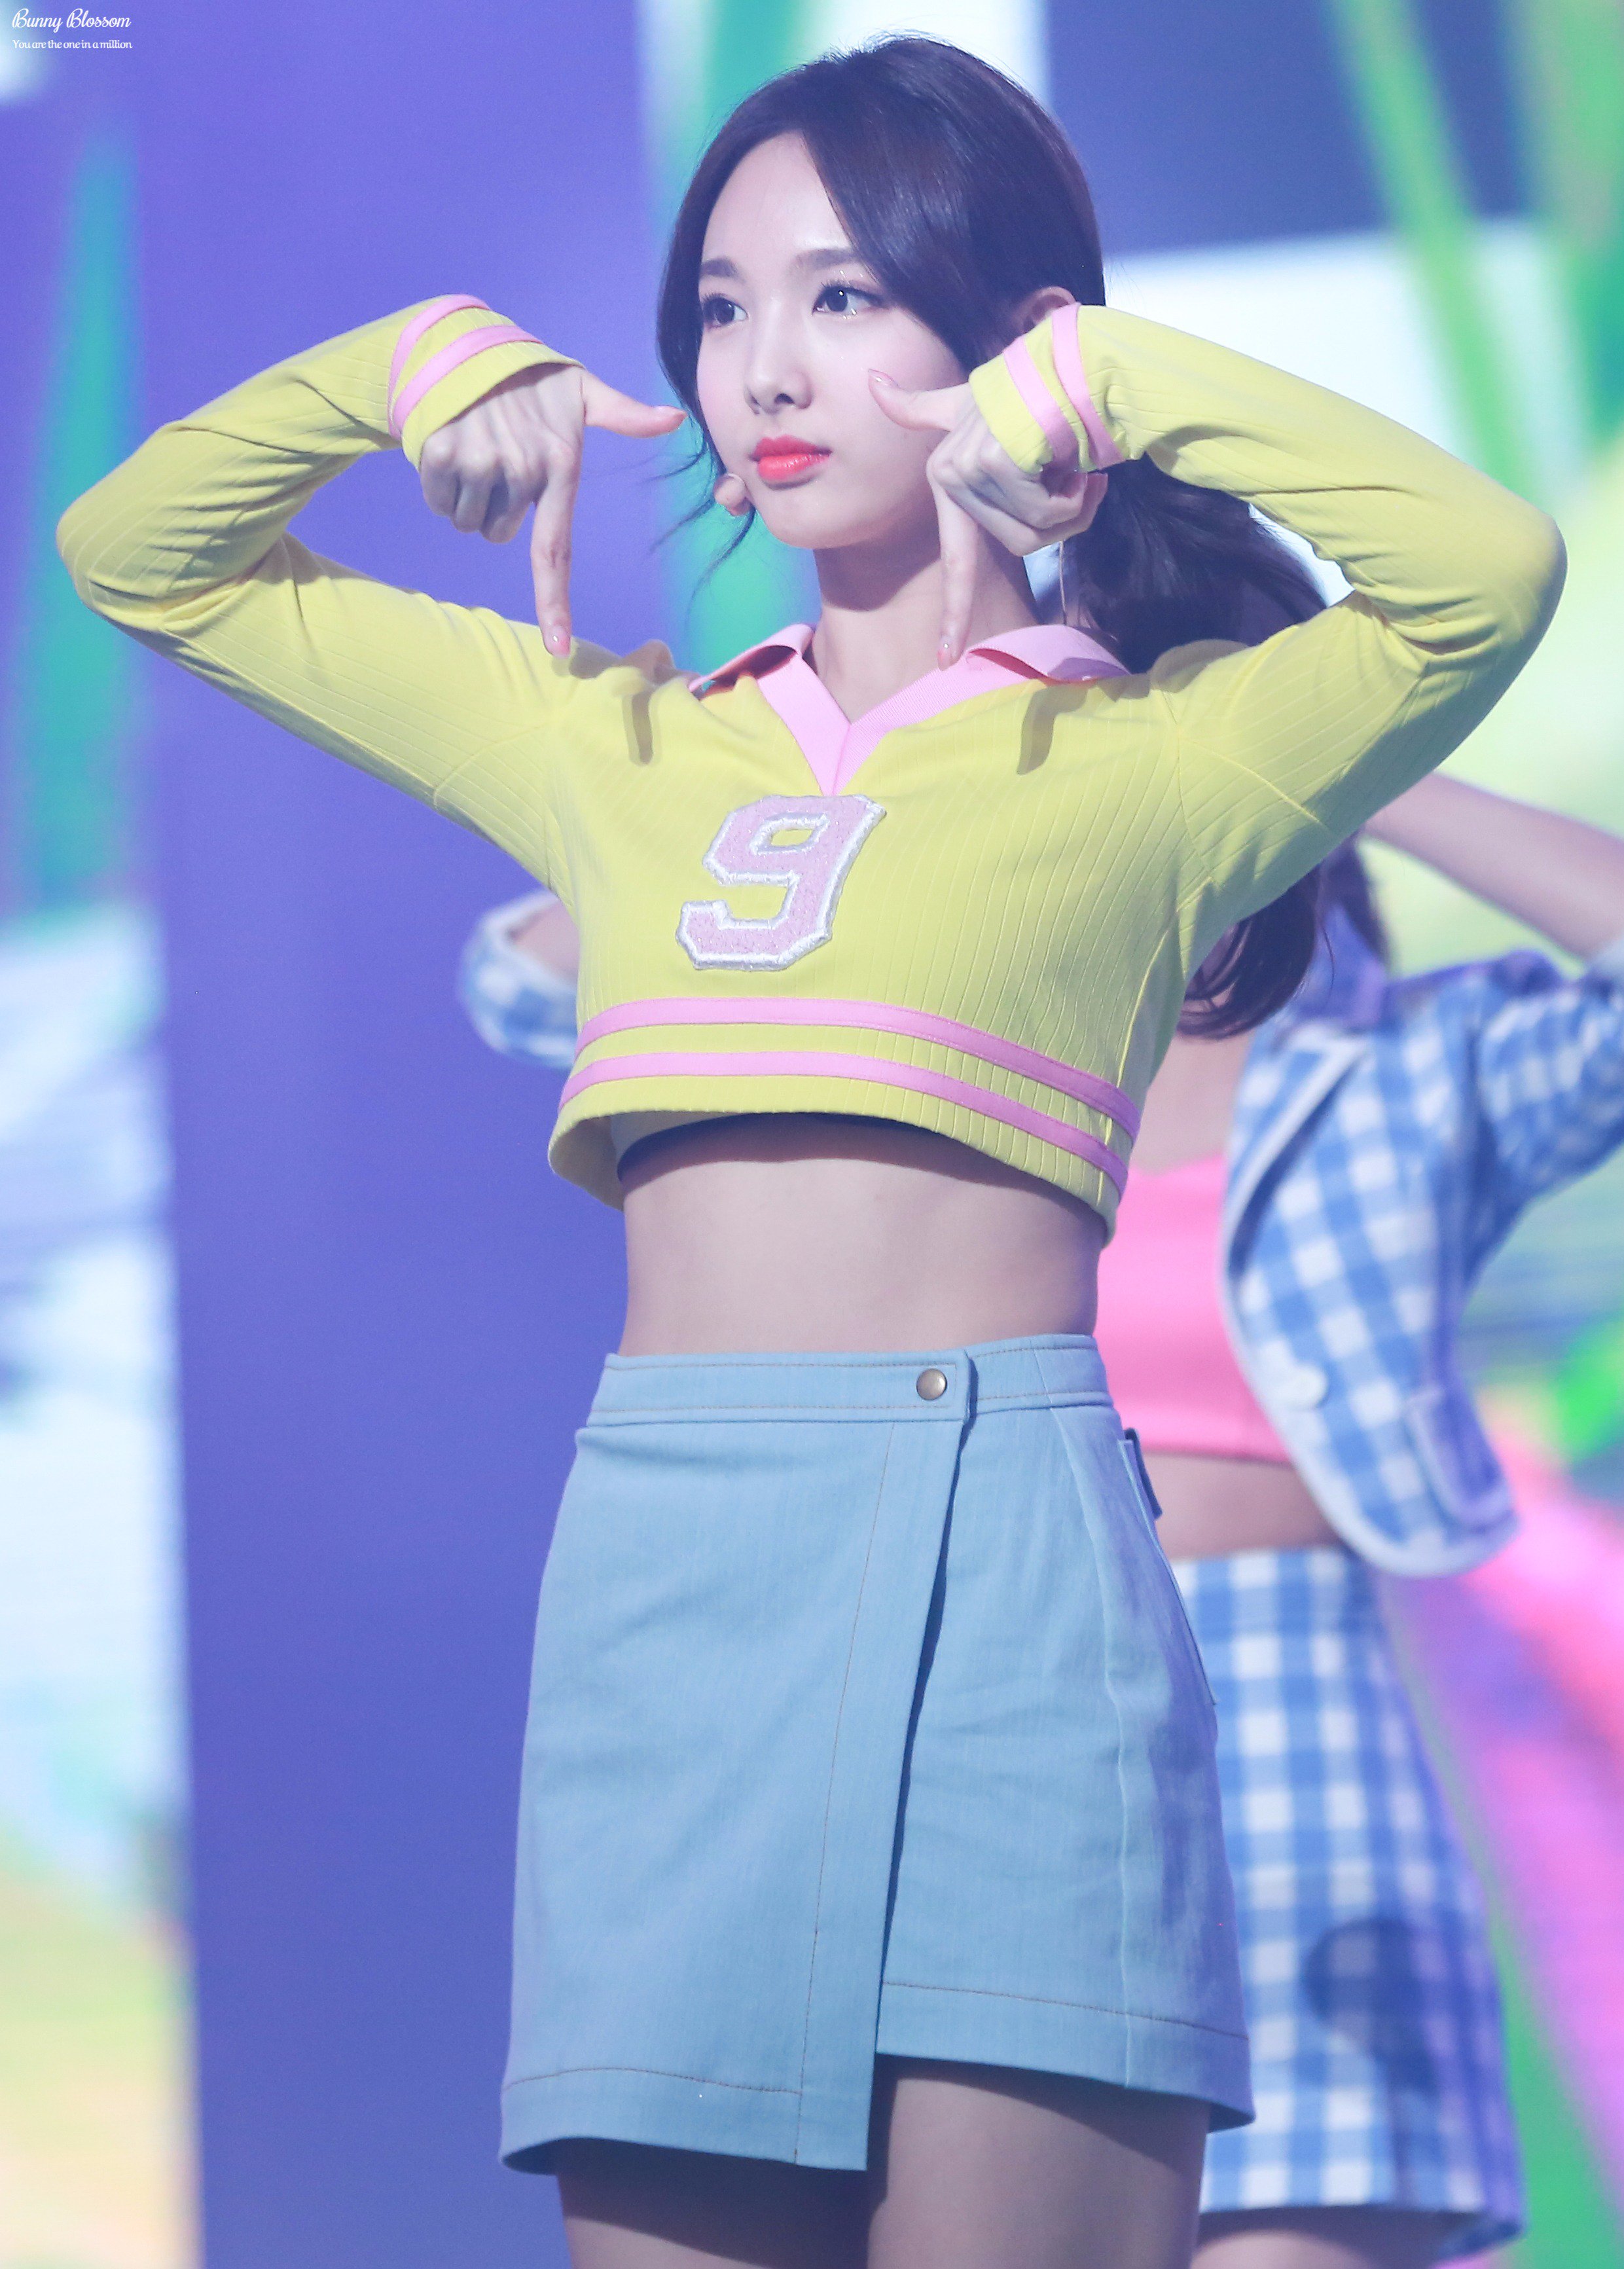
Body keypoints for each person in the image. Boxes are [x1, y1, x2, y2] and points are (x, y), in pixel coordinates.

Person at [57, 36, 1562, 2269]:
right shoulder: (611, 741)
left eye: (843, 296)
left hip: (1015, 1572)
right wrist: (397, 364)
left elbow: (1481, 572)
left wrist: (1116, 383)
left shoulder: (1160, 759)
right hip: (671, 1574)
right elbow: (140, 555)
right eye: (721, 304)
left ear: (1002, 331)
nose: (763, 365)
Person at [463, 772, 1624, 2269]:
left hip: (1292, 1732)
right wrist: (839, 767)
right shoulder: (932, 1037)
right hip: (986, 1701)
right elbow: (515, 984)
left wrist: (1367, 765)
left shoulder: (1407, 1061)